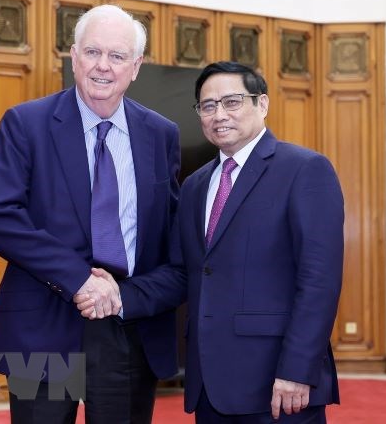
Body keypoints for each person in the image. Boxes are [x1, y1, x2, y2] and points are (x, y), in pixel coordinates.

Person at [77, 61, 344, 423]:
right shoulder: (195, 186)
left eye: (232, 102)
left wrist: (298, 369)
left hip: (278, 383)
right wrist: (120, 295)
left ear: (262, 104)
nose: (219, 115)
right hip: (209, 385)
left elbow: (319, 282)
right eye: (208, 106)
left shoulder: (304, 170)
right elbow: (182, 272)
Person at [0, 4, 181, 423]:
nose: (103, 66)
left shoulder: (161, 134)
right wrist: (79, 280)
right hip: (42, 325)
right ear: (73, 56)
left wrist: (129, 296)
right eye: (92, 52)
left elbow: (169, 235)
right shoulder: (26, 123)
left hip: (127, 324)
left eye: (117, 56)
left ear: (136, 66)